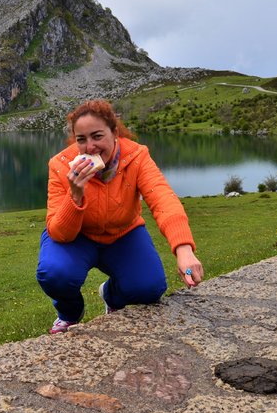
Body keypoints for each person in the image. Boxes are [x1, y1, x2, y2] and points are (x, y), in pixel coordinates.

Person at [36, 99, 204, 334]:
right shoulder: (60, 166)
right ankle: (69, 313)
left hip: (124, 233)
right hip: (77, 236)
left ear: (114, 132)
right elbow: (59, 233)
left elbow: (162, 198)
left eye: (97, 136)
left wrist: (184, 249)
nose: (90, 147)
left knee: (149, 287)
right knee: (54, 273)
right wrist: (75, 196)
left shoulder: (137, 156)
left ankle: (111, 295)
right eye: (81, 139)